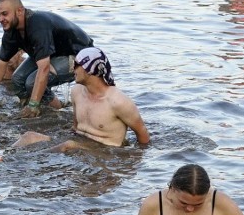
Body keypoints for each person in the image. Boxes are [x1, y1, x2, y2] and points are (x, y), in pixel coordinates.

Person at [11, 47, 150, 150]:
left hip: (103, 151)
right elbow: (75, 128)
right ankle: (4, 159)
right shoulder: (77, 92)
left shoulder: (118, 102)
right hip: (77, 142)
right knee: (29, 136)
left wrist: (129, 160)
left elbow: (144, 137)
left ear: (90, 69)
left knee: (68, 145)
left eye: (77, 65)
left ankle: (29, 164)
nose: (72, 69)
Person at [0, 0, 94, 119]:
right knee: (17, 80)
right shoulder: (11, 31)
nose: (0, 19)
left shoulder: (37, 25)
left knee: (31, 82)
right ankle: (35, 110)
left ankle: (56, 111)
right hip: (52, 54)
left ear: (20, 11)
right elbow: (0, 65)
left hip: (80, 57)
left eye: (4, 14)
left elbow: (44, 69)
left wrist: (33, 105)